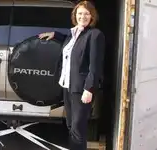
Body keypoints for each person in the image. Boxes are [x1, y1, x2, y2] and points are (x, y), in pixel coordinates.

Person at [38, 1, 105, 150]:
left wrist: (89, 89)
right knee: (70, 125)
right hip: (68, 86)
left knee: (77, 128)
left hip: (81, 89)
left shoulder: (95, 35)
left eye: (87, 13)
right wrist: (55, 35)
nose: (83, 16)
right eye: (80, 13)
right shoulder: (73, 33)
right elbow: (72, 44)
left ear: (92, 16)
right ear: (75, 15)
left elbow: (95, 65)